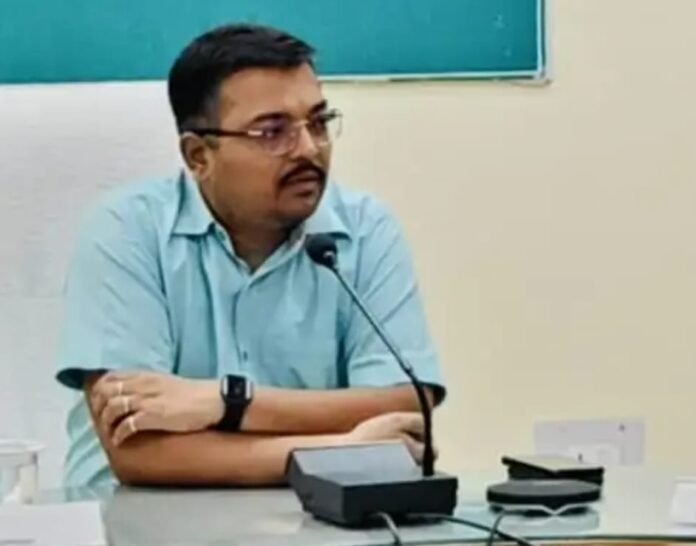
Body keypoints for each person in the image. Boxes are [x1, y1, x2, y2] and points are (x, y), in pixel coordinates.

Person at [55, 23, 445, 487]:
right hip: (138, 517)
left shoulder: (364, 229)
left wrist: (227, 401)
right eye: (272, 132)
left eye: (318, 122)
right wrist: (339, 451)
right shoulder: (125, 231)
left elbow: (405, 405)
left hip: (312, 518)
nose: (309, 149)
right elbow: (139, 450)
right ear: (198, 156)